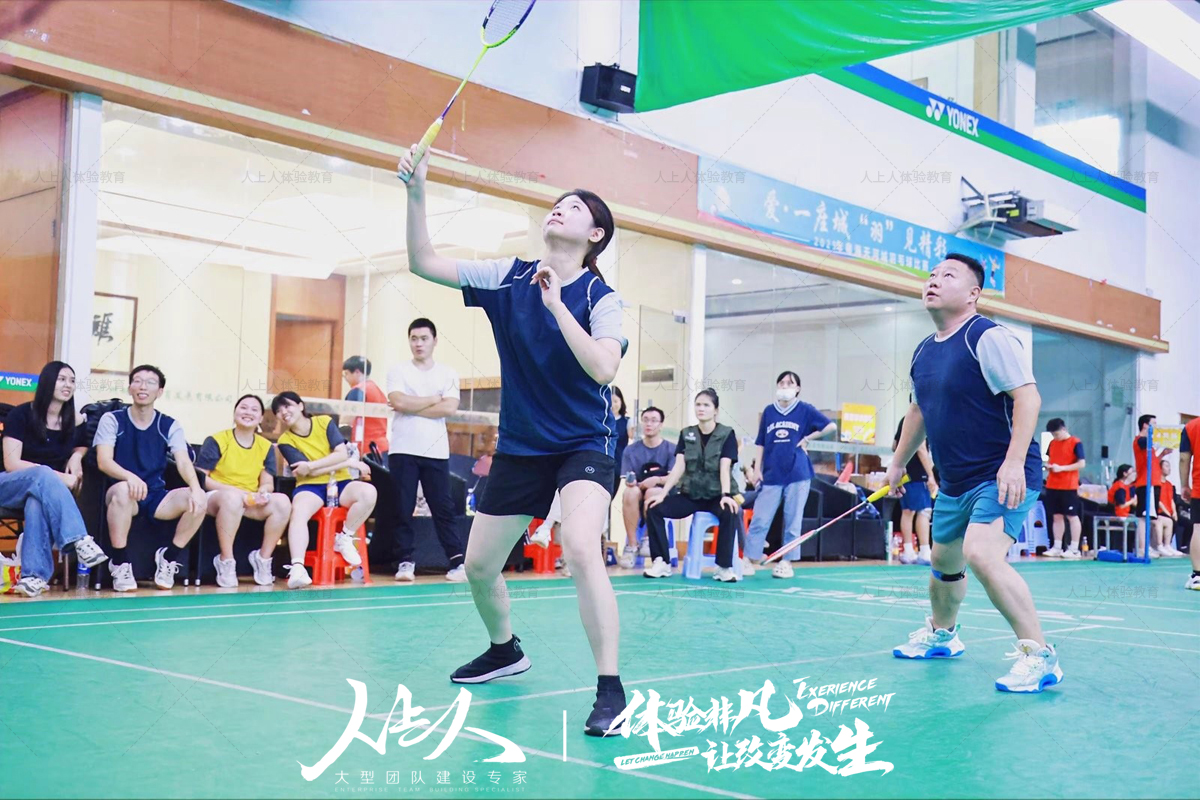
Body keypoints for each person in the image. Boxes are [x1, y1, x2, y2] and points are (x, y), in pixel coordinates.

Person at [400, 143, 628, 737]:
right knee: (479, 565)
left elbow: (604, 368)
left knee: (580, 545)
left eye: (575, 206)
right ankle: (505, 650)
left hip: (584, 442)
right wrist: (417, 191)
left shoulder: (602, 299)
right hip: (523, 446)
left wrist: (556, 306)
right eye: (558, 202)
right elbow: (424, 261)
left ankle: (610, 687)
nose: (560, 207)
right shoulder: (508, 276)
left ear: (595, 234)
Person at [885, 253, 1061, 693]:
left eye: (948, 276)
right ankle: (943, 635)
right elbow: (918, 411)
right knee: (944, 562)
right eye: (931, 275)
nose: (934, 281)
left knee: (981, 553)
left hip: (1001, 473)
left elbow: (1029, 398)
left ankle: (1039, 656)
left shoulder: (987, 337)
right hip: (955, 480)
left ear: (973, 294)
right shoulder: (924, 351)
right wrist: (898, 461)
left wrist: (1014, 462)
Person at [95, 365, 208, 592]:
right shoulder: (112, 419)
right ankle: (120, 562)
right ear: (130, 388)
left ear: (160, 391)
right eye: (137, 381)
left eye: (150, 382)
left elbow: (183, 462)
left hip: (156, 496)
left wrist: (196, 488)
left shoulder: (169, 424)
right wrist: (129, 477)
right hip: (123, 493)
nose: (143, 386)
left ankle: (169, 558)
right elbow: (103, 461)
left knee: (199, 499)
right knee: (123, 491)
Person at [0, 361, 107, 596]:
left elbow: (82, 444)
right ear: (48, 382)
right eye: (61, 379)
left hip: (39, 492)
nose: (68, 385)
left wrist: (77, 457)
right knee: (43, 474)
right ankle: (79, 539)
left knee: (36, 502)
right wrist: (59, 477)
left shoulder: (73, 422)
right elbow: (12, 463)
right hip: (7, 485)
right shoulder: (21, 415)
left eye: (72, 380)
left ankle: (34, 578)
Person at [384, 318, 466, 583]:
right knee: (402, 507)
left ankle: (457, 561)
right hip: (403, 449)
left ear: (434, 341)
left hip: (436, 451)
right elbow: (397, 401)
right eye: (414, 339)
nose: (418, 343)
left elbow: (449, 407)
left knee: (443, 508)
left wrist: (412, 405)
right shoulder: (398, 370)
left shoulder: (448, 373)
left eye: (423, 338)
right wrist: (432, 399)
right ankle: (405, 561)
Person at [271, 391, 377, 589]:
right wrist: (347, 462)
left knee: (369, 493)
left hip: (341, 481)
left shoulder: (324, 422)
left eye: (287, 406)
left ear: (300, 405)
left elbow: (340, 453)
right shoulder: (285, 441)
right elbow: (305, 472)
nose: (283, 412)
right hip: (310, 486)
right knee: (298, 512)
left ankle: (345, 536)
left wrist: (313, 465)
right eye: (278, 411)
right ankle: (298, 567)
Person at [744, 371, 836, 579]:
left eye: (790, 383)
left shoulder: (805, 409)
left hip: (798, 472)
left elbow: (830, 426)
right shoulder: (769, 412)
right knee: (760, 517)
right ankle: (749, 559)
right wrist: (757, 469)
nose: (785, 386)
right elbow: (761, 442)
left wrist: (808, 438)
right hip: (771, 473)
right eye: (782, 383)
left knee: (793, 520)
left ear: (798, 388)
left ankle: (786, 562)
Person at [194, 395, 293, 587]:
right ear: (234, 413)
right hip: (218, 497)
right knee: (232, 499)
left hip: (249, 498)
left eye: (254, 410)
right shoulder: (217, 440)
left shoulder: (265, 446)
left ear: (261, 418)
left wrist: (263, 492)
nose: (248, 412)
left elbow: (267, 483)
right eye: (243, 408)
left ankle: (263, 558)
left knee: (282, 502)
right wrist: (237, 493)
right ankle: (226, 560)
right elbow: (202, 478)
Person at [645, 388, 741, 582]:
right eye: (698, 404)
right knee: (654, 508)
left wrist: (725, 495)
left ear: (716, 410)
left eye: (706, 405)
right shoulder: (686, 434)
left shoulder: (727, 434)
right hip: (690, 495)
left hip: (715, 496)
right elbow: (679, 467)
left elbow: (725, 467)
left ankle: (723, 567)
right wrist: (663, 494)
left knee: (730, 512)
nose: (701, 409)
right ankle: (661, 562)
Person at [616, 406, 674, 568]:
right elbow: (628, 476)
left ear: (661, 425)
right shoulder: (630, 450)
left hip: (663, 493)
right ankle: (632, 546)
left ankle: (649, 539)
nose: (649, 424)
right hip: (639, 492)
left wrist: (656, 480)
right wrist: (632, 482)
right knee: (629, 492)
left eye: (654, 420)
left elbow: (674, 478)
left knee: (653, 492)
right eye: (646, 420)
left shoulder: (671, 449)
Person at [892, 416, 938, 566]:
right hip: (918, 474)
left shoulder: (904, 420)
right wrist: (931, 475)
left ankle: (909, 551)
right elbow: (921, 449)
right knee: (922, 511)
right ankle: (923, 551)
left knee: (909, 511)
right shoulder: (921, 418)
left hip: (906, 472)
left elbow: (894, 446)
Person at [1042, 418, 1085, 559]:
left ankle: (1074, 548)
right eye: (1052, 435)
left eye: (1056, 434)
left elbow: (1081, 463)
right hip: (1052, 484)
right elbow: (1051, 459)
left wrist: (1062, 468)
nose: (1055, 437)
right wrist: (1049, 466)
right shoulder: (1052, 443)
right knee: (1056, 516)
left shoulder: (1075, 442)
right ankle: (1057, 546)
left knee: (1072, 516)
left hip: (1068, 485)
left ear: (1064, 429)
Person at [1131, 414, 1172, 559]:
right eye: (1153, 424)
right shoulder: (1140, 441)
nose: (1156, 427)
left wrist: (1162, 454)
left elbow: (1152, 462)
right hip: (1145, 484)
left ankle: (1147, 546)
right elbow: (1150, 442)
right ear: (1145, 425)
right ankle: (1142, 548)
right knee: (1143, 517)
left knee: (1149, 516)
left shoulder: (1149, 447)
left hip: (1153, 483)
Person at [342, 356, 389, 456]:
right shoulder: (378, 390)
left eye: (346, 374)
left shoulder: (358, 390)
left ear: (357, 372)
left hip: (366, 447)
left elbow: (347, 420)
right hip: (381, 447)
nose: (345, 378)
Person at [1179, 416, 1200, 589]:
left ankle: (1198, 576)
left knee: (1198, 529)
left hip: (1199, 488)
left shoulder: (1191, 427)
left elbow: (1184, 459)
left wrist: (1184, 485)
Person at [1156, 458, 1183, 557]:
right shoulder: (1157, 484)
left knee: (1183, 522)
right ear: (1160, 468)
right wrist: (1166, 512)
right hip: (1160, 511)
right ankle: (1160, 545)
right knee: (1167, 521)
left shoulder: (1169, 484)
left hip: (1169, 511)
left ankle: (1168, 545)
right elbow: (1158, 500)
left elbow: (1171, 500)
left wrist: (1174, 512)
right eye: (1166, 466)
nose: (1169, 469)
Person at [610, 386, 632, 495]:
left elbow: (634, 436)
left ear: (621, 402)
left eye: (615, 401)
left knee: (611, 494)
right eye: (610, 401)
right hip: (600, 462)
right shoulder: (599, 420)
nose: (613, 405)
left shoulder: (627, 421)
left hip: (617, 465)